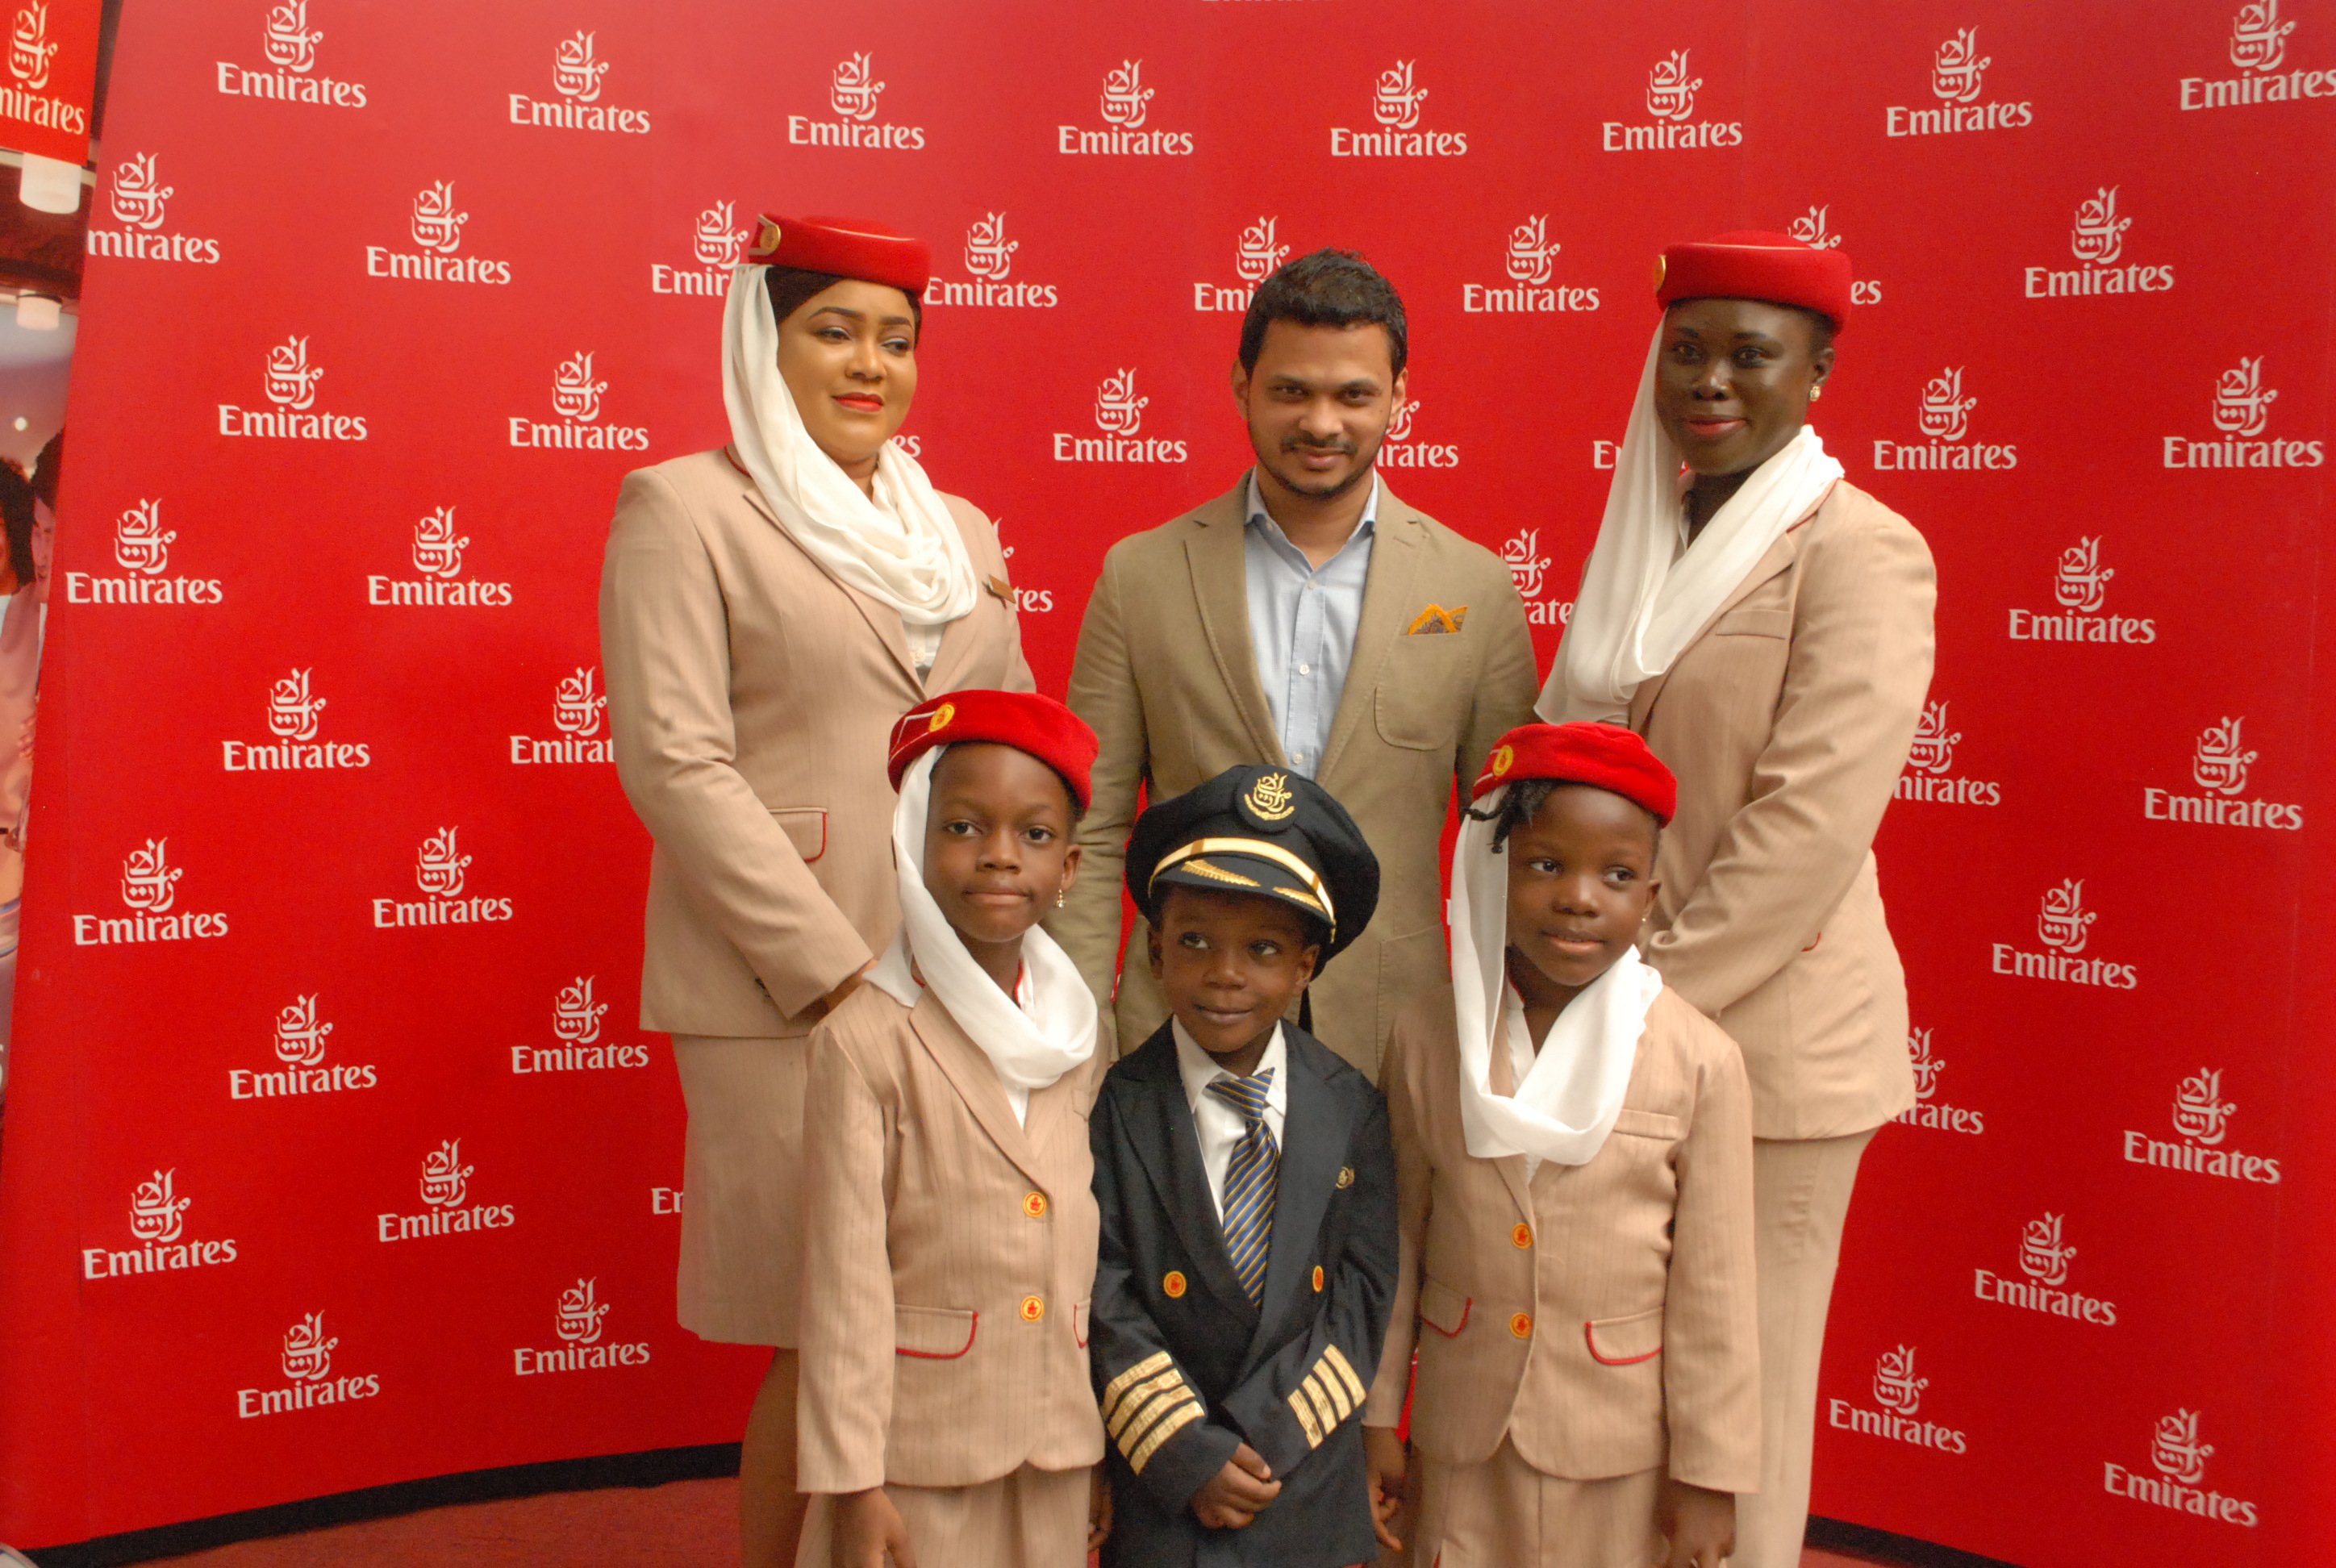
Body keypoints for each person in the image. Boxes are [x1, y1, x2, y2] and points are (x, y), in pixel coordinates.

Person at [599, 214, 1031, 1568]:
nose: (869, 363)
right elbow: (674, 761)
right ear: (760, 337)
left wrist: (1002, 955)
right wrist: (841, 967)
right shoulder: (684, 506)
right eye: (832, 328)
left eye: (896, 337)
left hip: (953, 981)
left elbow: (1007, 745)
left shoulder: (951, 526)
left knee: (926, 1315)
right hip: (788, 989)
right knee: (823, 1324)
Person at [1537, 231, 1936, 1567]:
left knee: (1739, 1404)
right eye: (1686, 347)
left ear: (1816, 372)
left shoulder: (1862, 551)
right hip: (1620, 1026)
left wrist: (1625, 1010)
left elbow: (1804, 829)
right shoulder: (1643, 536)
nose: (1709, 380)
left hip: (1769, 1051)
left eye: (1749, 353)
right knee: (1628, 1391)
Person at [1054, 249, 1537, 1077]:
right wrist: (1074, 1025)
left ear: (1399, 398)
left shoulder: (1474, 588)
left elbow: (1508, 838)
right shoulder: (1139, 575)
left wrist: (1509, 1033)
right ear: (1242, 385)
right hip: (1177, 1017)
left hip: (1393, 1032)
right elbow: (1090, 827)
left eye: (1353, 394)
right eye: (1291, 391)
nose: (1321, 422)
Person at [1365, 722, 1758, 1568]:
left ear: (1648, 898)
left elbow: (1716, 1289)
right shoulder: (1428, 1037)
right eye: (1546, 866)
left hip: (1613, 1448)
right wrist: (1375, 1413)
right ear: (1491, 875)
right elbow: (1396, 1241)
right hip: (1459, 1435)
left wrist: (1709, 1475)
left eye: (1615, 875)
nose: (1579, 897)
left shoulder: (1699, 1061)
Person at [796, 691, 1111, 1568]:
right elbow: (843, 1287)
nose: (1001, 858)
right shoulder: (864, 1041)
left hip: (1053, 1442)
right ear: (910, 845)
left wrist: (1092, 1445)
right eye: (964, 828)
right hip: (916, 1458)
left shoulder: (1080, 1033)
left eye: (1035, 836)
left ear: (1072, 868)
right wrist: (852, 1483)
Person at [1088, 764, 1396, 1568]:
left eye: (1262, 949)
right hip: (1166, 1483)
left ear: (1305, 967)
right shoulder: (1116, 1104)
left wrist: (1264, 1441)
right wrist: (1190, 1453)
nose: (1224, 974)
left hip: (1298, 1479)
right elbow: (1102, 1286)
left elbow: (1362, 1295)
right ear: (1154, 950)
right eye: (1194, 942)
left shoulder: (1352, 1107)